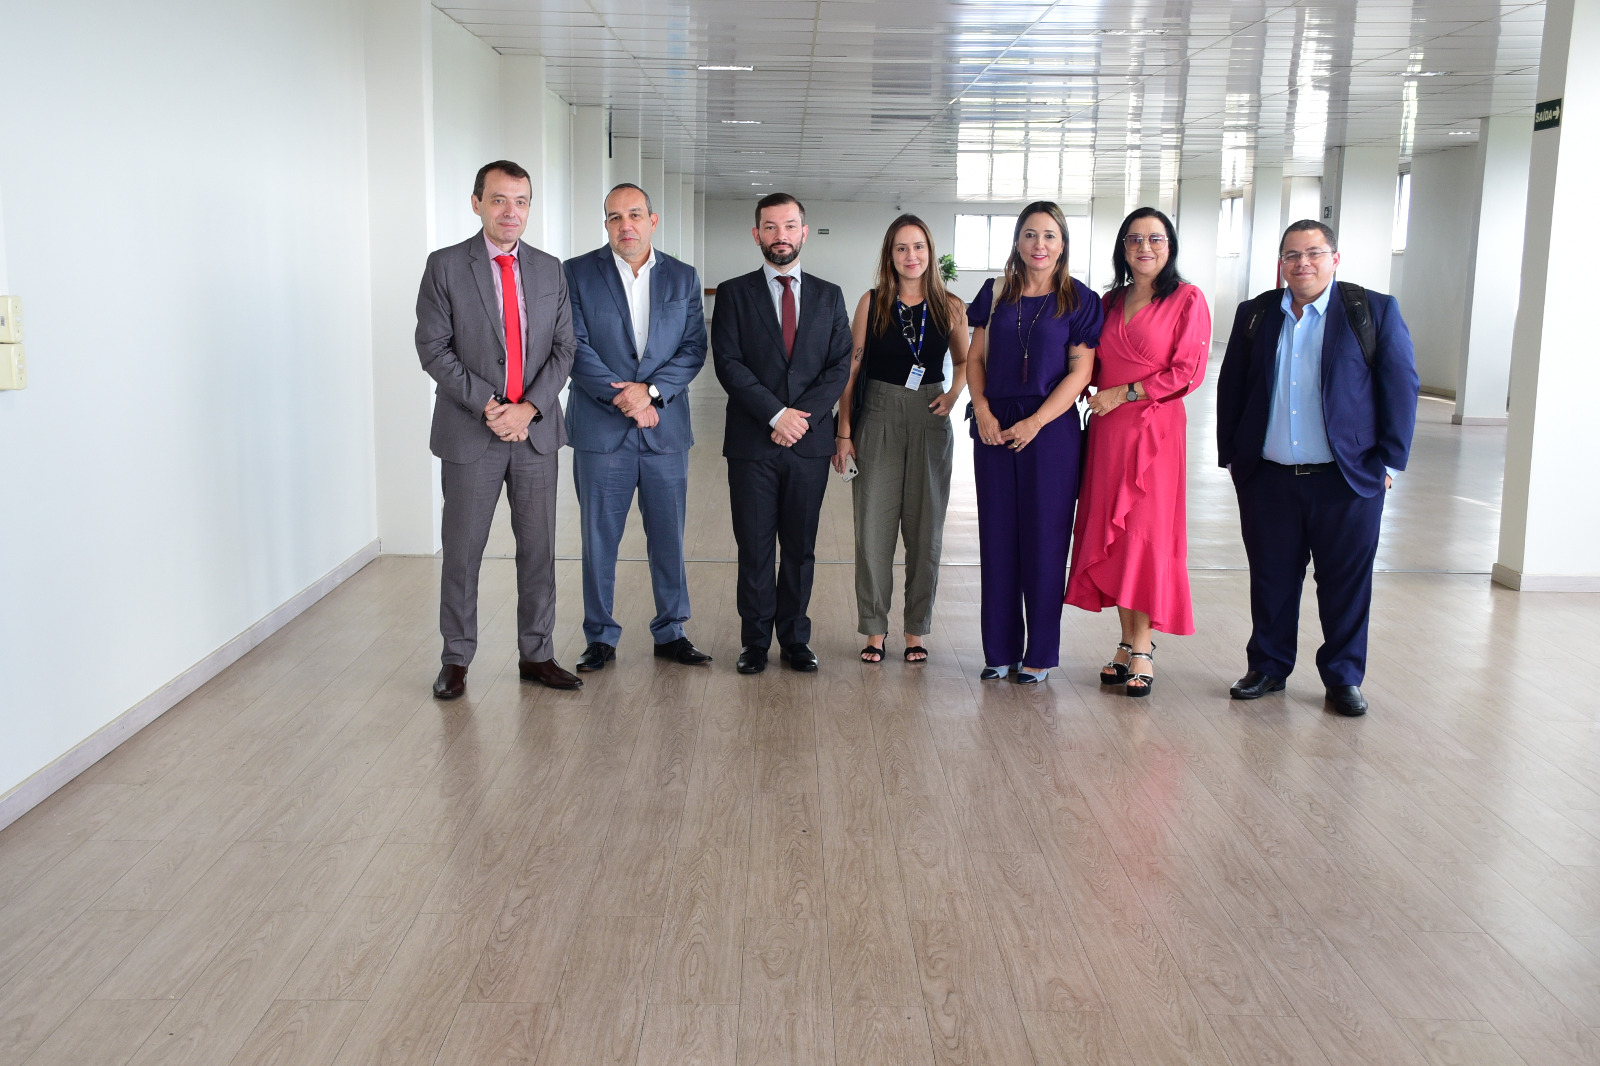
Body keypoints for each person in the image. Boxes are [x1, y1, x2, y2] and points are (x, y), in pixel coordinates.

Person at [1216, 219, 1419, 716]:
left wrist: (1389, 464)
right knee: (1271, 578)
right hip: (1269, 478)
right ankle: (1268, 666)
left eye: (1313, 253)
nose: (1302, 263)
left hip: (1346, 480)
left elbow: (1401, 387)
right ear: (1281, 262)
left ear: (1335, 259)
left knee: (1345, 583)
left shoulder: (1371, 310)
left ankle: (1343, 677)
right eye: (1291, 254)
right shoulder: (1256, 314)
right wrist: (1234, 459)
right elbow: (1232, 387)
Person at [416, 160, 582, 699]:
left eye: (521, 201)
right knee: (462, 551)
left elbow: (565, 349)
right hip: (472, 433)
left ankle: (537, 654)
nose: (511, 211)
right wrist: (490, 405)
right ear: (477, 203)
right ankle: (456, 659)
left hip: (534, 434)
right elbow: (432, 348)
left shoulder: (550, 270)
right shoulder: (445, 266)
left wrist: (528, 408)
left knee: (538, 551)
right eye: (499, 200)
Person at [564, 183, 712, 672]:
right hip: (600, 431)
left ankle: (671, 631)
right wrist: (624, 397)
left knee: (668, 536)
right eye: (614, 217)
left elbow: (693, 347)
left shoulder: (683, 277)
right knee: (598, 539)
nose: (624, 225)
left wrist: (650, 393)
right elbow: (573, 346)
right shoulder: (576, 273)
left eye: (634, 215)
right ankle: (600, 636)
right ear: (606, 224)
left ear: (652, 220)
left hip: (664, 430)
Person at [1065, 208, 1211, 697]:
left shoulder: (1187, 298)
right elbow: (1085, 361)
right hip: (1108, 432)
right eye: (1134, 239)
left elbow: (1188, 371)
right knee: (1119, 537)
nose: (1144, 247)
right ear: (1122, 248)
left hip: (1154, 431)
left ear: (1170, 246)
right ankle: (1127, 641)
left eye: (1155, 238)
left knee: (1145, 535)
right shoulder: (1109, 301)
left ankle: (1144, 646)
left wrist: (1125, 393)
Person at [711, 193, 853, 674]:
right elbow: (728, 364)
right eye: (770, 227)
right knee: (754, 547)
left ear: (804, 232)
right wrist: (776, 415)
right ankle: (754, 642)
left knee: (799, 547)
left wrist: (799, 418)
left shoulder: (830, 295)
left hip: (808, 445)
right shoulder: (734, 293)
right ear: (756, 234)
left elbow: (839, 367)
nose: (780, 236)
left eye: (789, 226)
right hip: (752, 443)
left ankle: (795, 639)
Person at [967, 201, 1103, 684]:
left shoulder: (1080, 299)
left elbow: (1080, 372)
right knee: (997, 537)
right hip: (994, 425)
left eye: (1049, 235)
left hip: (1050, 429)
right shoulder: (995, 292)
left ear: (1062, 244)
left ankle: (1040, 653)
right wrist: (982, 409)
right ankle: (999, 650)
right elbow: (974, 359)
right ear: (1017, 241)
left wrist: (1037, 422)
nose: (1038, 244)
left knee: (1045, 540)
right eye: (1029, 234)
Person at [833, 215, 969, 664]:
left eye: (919, 247)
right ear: (889, 256)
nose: (911, 256)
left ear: (930, 252)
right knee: (873, 529)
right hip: (878, 416)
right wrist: (844, 431)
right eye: (901, 248)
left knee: (925, 531)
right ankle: (874, 629)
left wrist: (954, 393)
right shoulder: (872, 303)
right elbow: (852, 369)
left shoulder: (951, 306)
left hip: (930, 418)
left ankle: (915, 629)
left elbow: (965, 362)